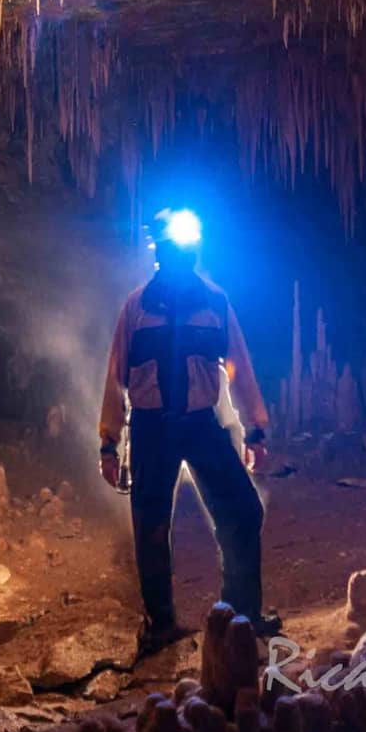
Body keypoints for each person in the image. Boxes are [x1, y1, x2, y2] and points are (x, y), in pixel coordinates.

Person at [97, 209, 276, 656]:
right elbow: (116, 376)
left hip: (199, 424)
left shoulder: (215, 303)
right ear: (158, 249)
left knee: (242, 510)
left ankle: (241, 615)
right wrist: (108, 440)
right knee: (153, 526)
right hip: (153, 428)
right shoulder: (136, 307)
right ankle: (160, 624)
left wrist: (256, 426)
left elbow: (238, 366)